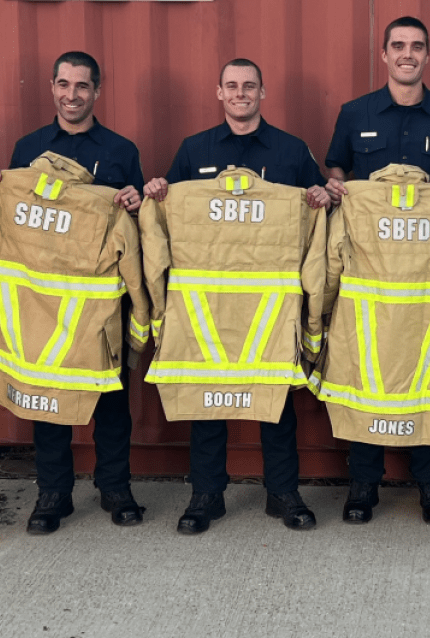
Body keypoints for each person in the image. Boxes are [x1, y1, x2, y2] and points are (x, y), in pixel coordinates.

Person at [143, 58, 329, 535]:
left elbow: (318, 212)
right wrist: (161, 190)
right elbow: (171, 213)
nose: (241, 92)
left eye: (249, 86)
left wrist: (322, 198)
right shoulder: (194, 149)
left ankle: (282, 493)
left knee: (276, 402)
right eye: (232, 85)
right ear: (219, 93)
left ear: (262, 93)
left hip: (270, 308)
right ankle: (206, 496)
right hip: (209, 307)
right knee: (208, 404)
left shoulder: (291, 151)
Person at [0, 51, 146, 534]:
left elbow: (135, 226)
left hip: (98, 303)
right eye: (64, 85)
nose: (72, 95)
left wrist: (132, 203)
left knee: (109, 399)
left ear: (97, 91)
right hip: (41, 303)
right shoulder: (28, 147)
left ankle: (115, 487)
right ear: (52, 87)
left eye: (82, 86)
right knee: (45, 397)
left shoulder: (120, 150)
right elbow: (10, 219)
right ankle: (53, 493)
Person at [323, 16, 430, 525]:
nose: (407, 54)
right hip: (369, 279)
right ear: (385, 54)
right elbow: (337, 173)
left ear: (427, 56)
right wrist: (336, 192)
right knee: (365, 372)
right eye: (398, 46)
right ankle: (363, 485)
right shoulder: (355, 113)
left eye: (416, 46)